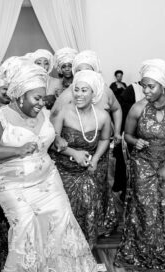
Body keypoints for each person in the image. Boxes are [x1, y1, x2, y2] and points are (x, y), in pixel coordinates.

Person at [0, 61, 99, 272]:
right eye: (36, 98)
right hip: (13, 183)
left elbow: (52, 141)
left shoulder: (42, 114)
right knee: (25, 226)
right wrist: (17, 150)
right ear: (20, 96)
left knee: (61, 219)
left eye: (43, 98)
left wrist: (71, 151)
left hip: (48, 179)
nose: (41, 103)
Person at [114, 59, 165, 272]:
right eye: (143, 85)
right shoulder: (138, 107)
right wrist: (134, 141)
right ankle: (141, 254)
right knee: (144, 204)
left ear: (163, 85)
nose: (146, 91)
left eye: (151, 86)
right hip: (143, 161)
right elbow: (126, 135)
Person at [50, 70, 112, 248]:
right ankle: (63, 247)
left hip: (87, 169)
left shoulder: (102, 116)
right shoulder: (63, 111)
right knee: (63, 208)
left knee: (89, 201)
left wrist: (95, 159)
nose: (78, 94)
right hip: (63, 168)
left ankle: (85, 247)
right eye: (76, 90)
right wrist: (73, 152)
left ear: (94, 94)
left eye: (84, 90)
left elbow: (105, 139)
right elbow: (52, 140)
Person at [52, 50, 122, 142]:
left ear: (95, 72)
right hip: (77, 147)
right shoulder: (69, 93)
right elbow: (53, 117)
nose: (83, 74)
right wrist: (58, 138)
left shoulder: (105, 90)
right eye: (79, 71)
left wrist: (117, 132)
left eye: (87, 70)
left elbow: (117, 109)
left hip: (105, 142)